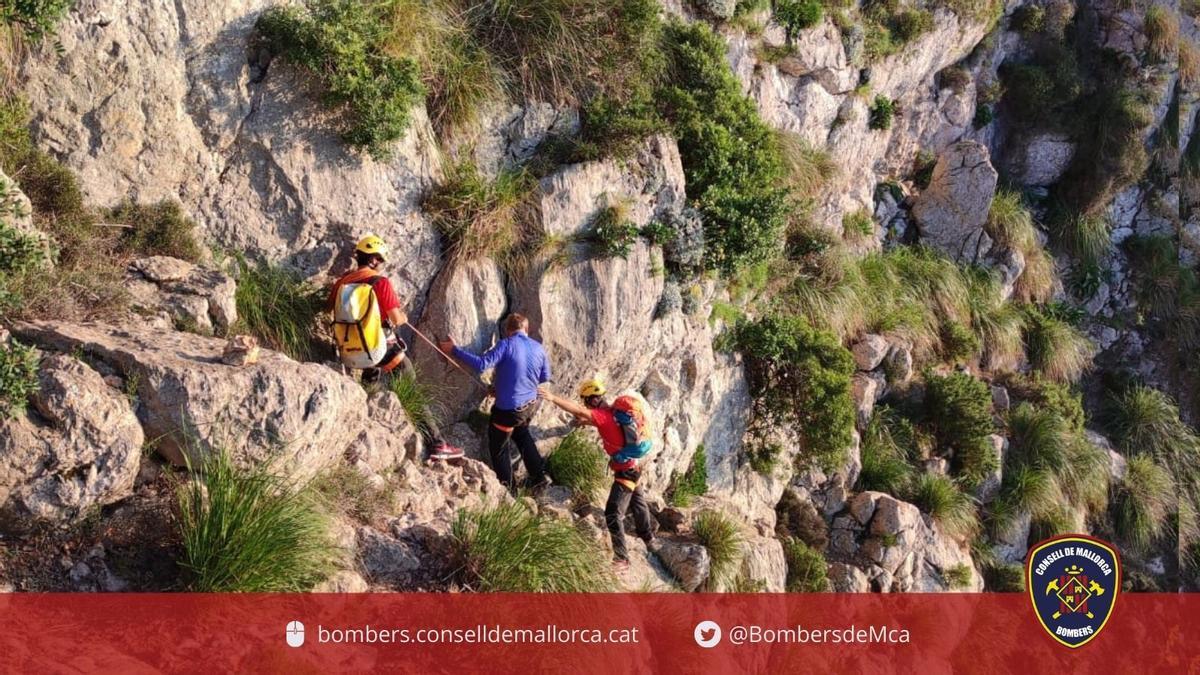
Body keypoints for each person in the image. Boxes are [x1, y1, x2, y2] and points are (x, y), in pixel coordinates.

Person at [328, 235, 463, 461]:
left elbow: (330, 308)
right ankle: (437, 443)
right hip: (378, 347)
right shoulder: (380, 283)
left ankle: (362, 419)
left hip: (349, 349)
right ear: (374, 260)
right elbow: (397, 319)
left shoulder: (343, 283)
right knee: (410, 383)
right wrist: (401, 316)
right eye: (381, 261)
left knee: (371, 375)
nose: (382, 265)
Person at [539, 378, 656, 570]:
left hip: (625, 472)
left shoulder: (603, 415)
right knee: (637, 500)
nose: (585, 404)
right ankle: (648, 537)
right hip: (634, 465)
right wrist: (586, 422)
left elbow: (577, 410)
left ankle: (622, 559)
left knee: (612, 512)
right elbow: (608, 427)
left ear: (593, 400)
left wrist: (552, 398)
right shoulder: (615, 413)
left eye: (586, 400)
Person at [439, 314, 550, 492]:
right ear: (526, 330)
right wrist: (503, 387)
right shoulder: (539, 348)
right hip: (530, 405)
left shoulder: (506, 344)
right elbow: (542, 377)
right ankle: (540, 477)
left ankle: (509, 490)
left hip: (509, 411)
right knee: (521, 434)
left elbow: (482, 364)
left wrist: (454, 350)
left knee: (498, 446)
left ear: (508, 331)